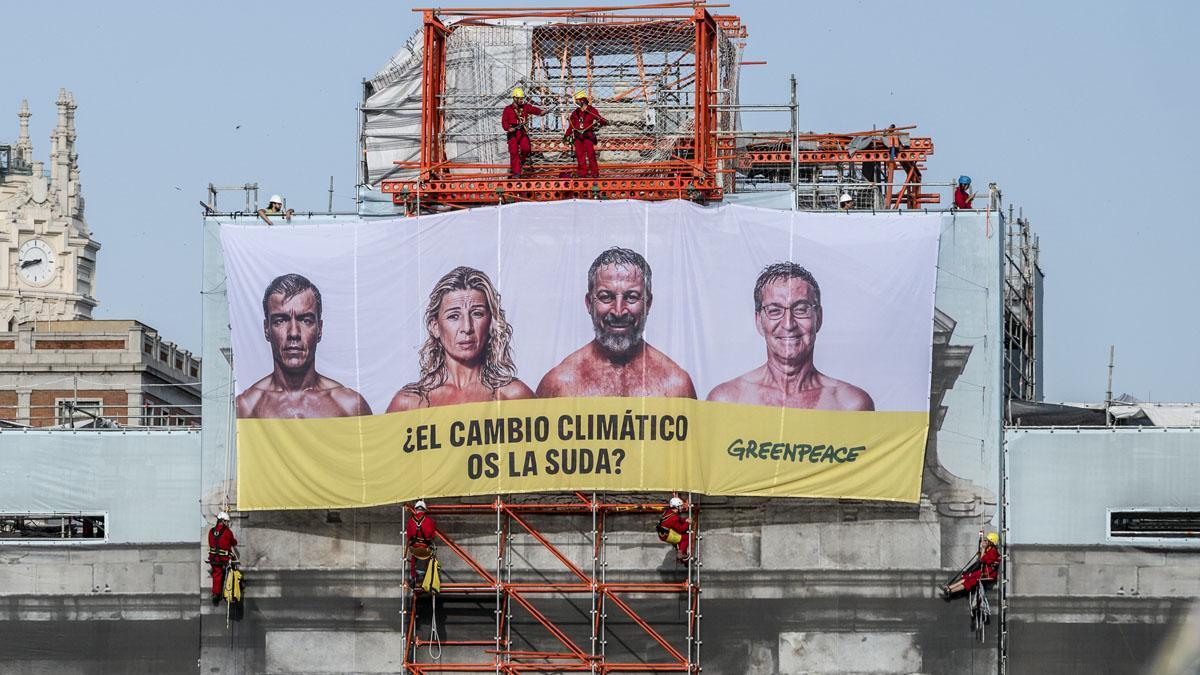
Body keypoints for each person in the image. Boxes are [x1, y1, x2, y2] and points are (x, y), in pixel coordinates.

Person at [707, 262, 874, 410]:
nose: (788, 324)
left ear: (819, 318)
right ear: (759, 322)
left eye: (801, 309)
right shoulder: (726, 401)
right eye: (774, 311)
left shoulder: (849, 405)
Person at [537, 247, 696, 398]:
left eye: (631, 296)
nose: (618, 311)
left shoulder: (676, 385)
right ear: (589, 304)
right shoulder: (559, 384)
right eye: (606, 296)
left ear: (648, 304)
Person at [388, 267, 533, 411]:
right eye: (453, 316)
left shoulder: (514, 396)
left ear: (491, 323)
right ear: (435, 327)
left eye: (477, 314)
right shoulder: (408, 403)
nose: (467, 327)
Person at [236, 273, 372, 419]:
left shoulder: (349, 406)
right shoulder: (245, 408)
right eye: (281, 321)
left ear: (319, 329)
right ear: (266, 329)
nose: (294, 333)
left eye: (305, 320)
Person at [942, 531, 1001, 599]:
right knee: (967, 577)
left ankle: (951, 591)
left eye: (988, 541)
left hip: (987, 574)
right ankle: (949, 587)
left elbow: (982, 560)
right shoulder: (991, 550)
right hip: (984, 572)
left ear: (991, 542)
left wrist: (983, 548)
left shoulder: (993, 552)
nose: (986, 542)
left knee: (969, 582)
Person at [501, 88, 544, 178]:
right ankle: (516, 172)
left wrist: (540, 112)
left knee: (526, 148)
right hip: (513, 133)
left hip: (522, 131)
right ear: (514, 98)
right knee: (514, 152)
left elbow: (533, 109)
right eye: (520, 98)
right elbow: (504, 122)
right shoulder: (508, 109)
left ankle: (522, 160)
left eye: (522, 98)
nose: (521, 100)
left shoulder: (525, 107)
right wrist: (508, 128)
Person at [564, 91, 606, 178]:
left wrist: (603, 121)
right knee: (580, 156)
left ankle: (594, 173)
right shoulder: (575, 113)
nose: (577, 102)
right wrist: (566, 135)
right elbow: (571, 126)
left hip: (588, 136)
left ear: (582, 100)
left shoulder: (591, 110)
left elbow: (599, 119)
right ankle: (582, 173)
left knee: (591, 155)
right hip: (578, 137)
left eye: (578, 100)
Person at [207, 511, 239, 605]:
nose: (228, 524)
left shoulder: (211, 531)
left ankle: (216, 593)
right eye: (227, 522)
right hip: (224, 559)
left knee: (216, 574)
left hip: (213, 558)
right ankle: (227, 594)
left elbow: (210, 543)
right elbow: (233, 542)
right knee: (229, 574)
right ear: (223, 521)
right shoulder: (228, 532)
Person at [406, 500, 438, 586]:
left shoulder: (411, 521)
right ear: (424, 510)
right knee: (430, 558)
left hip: (415, 549)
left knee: (413, 557)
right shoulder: (429, 521)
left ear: (416, 509)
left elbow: (409, 536)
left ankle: (413, 577)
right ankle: (427, 579)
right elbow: (432, 535)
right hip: (426, 549)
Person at [657, 497, 692, 563]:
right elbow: (681, 529)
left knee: (680, 539)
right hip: (666, 535)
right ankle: (680, 554)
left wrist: (685, 520)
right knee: (685, 538)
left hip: (663, 532)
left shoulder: (669, 512)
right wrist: (687, 523)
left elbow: (679, 520)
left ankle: (682, 558)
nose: (682, 507)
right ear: (676, 507)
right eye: (680, 506)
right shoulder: (673, 518)